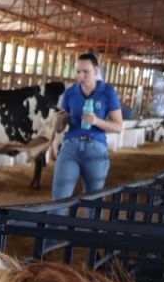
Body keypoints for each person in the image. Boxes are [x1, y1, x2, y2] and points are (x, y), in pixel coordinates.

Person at [51, 52, 124, 201]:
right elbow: (60, 127)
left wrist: (96, 121)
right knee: (58, 201)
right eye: (78, 72)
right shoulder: (70, 93)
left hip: (96, 148)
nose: (81, 76)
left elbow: (118, 127)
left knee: (94, 203)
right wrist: (59, 121)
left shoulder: (108, 92)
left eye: (86, 72)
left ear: (96, 71)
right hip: (70, 147)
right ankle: (55, 224)